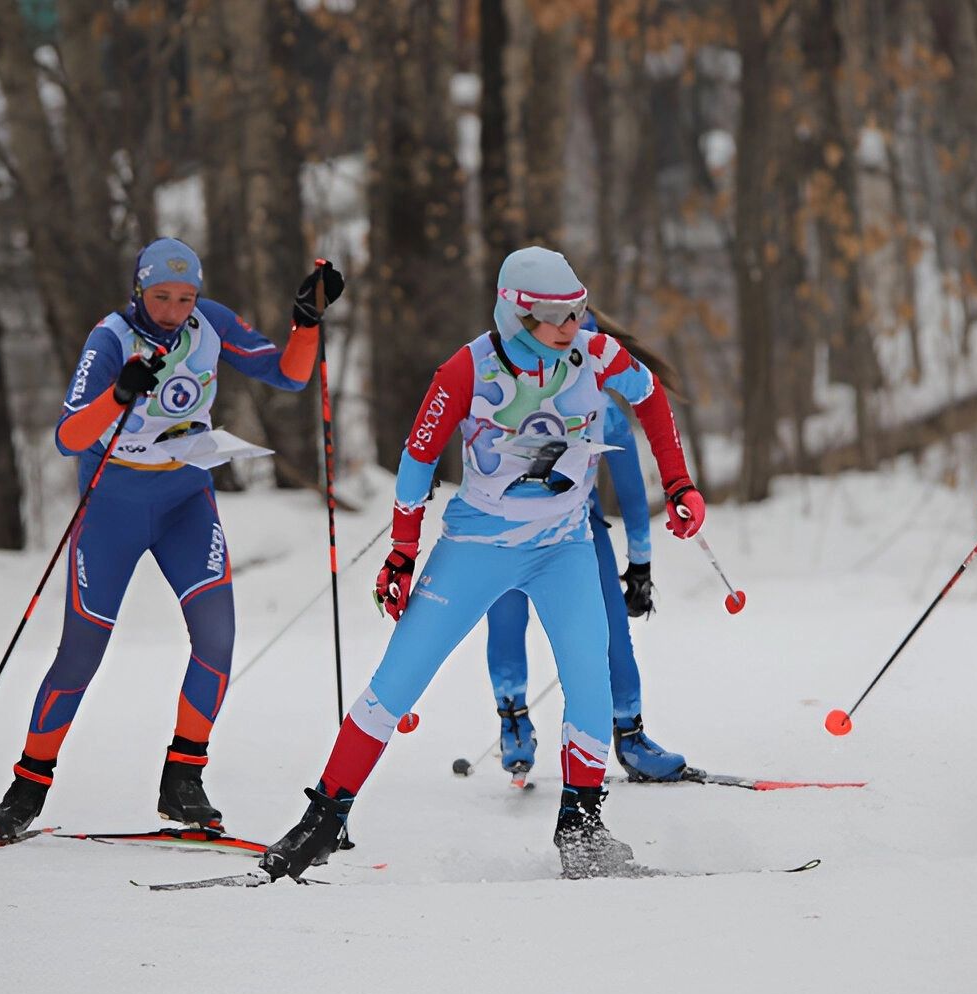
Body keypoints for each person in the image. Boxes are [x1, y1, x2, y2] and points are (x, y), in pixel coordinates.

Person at [257, 246, 705, 879]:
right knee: (397, 681)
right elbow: (418, 460)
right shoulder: (467, 368)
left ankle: (581, 827)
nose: (571, 325)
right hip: (476, 549)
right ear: (516, 314)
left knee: (590, 680)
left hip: (563, 548)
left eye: (577, 310)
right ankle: (321, 823)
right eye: (555, 315)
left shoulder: (597, 354)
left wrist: (679, 484)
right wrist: (402, 552)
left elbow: (651, 395)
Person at [0, 238, 344, 838]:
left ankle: (183, 780)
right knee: (81, 652)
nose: (174, 310)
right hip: (112, 506)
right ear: (138, 291)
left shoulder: (210, 322)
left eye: (185, 298)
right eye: (161, 297)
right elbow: (69, 437)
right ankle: (27, 788)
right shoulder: (111, 338)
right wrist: (118, 394)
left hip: (184, 500)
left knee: (216, 638)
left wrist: (306, 322)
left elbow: (289, 375)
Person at [485, 309, 691, 783]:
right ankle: (514, 721)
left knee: (610, 628)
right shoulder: (504, 391)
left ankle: (629, 734)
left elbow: (633, 493)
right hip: (508, 526)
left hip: (578, 529)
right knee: (508, 613)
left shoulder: (603, 411)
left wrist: (640, 568)